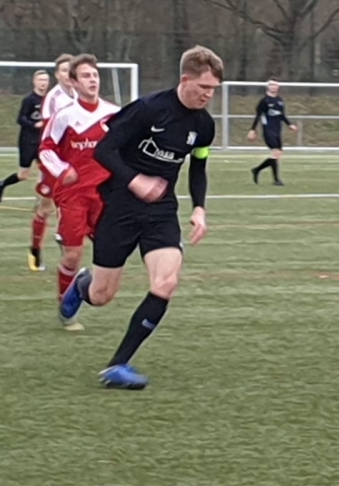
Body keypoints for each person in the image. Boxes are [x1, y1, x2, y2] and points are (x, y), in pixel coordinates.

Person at [59, 45, 223, 389]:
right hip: (119, 208)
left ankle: (118, 365)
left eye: (214, 89)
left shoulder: (204, 126)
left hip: (161, 211)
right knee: (102, 296)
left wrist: (199, 208)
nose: (208, 94)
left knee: (166, 283)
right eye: (204, 87)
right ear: (185, 79)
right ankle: (83, 285)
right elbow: (104, 150)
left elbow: (199, 166)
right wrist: (135, 181)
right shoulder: (148, 109)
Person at [37, 55, 119, 332]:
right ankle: (66, 307)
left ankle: (85, 285)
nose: (92, 80)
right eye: (85, 75)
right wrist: (62, 170)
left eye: (95, 75)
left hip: (105, 195)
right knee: (73, 255)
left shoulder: (114, 114)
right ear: (73, 82)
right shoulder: (65, 116)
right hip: (73, 195)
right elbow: (46, 149)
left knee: (112, 252)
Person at [29, 54, 77, 272]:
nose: (68, 75)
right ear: (57, 74)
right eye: (64, 71)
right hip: (55, 161)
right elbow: (50, 133)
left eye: (71, 70)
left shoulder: (81, 94)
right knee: (46, 206)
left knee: (72, 205)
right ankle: (35, 250)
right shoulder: (53, 98)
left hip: (75, 160)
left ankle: (68, 251)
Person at [0, 70, 49, 203]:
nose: (43, 83)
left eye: (45, 80)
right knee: (23, 175)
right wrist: (34, 125)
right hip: (28, 141)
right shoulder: (29, 100)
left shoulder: (50, 99)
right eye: (40, 80)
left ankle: (40, 201)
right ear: (34, 82)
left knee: (45, 171)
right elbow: (21, 119)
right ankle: (2, 184)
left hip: (43, 141)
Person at [248, 79, 297, 186]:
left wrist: (289, 124)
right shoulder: (264, 101)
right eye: (271, 85)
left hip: (277, 130)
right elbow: (258, 116)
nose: (273, 86)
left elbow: (282, 115)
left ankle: (257, 170)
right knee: (275, 153)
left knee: (277, 155)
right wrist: (252, 130)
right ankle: (276, 180)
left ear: (278, 87)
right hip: (268, 130)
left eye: (275, 85)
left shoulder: (280, 100)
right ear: (268, 87)